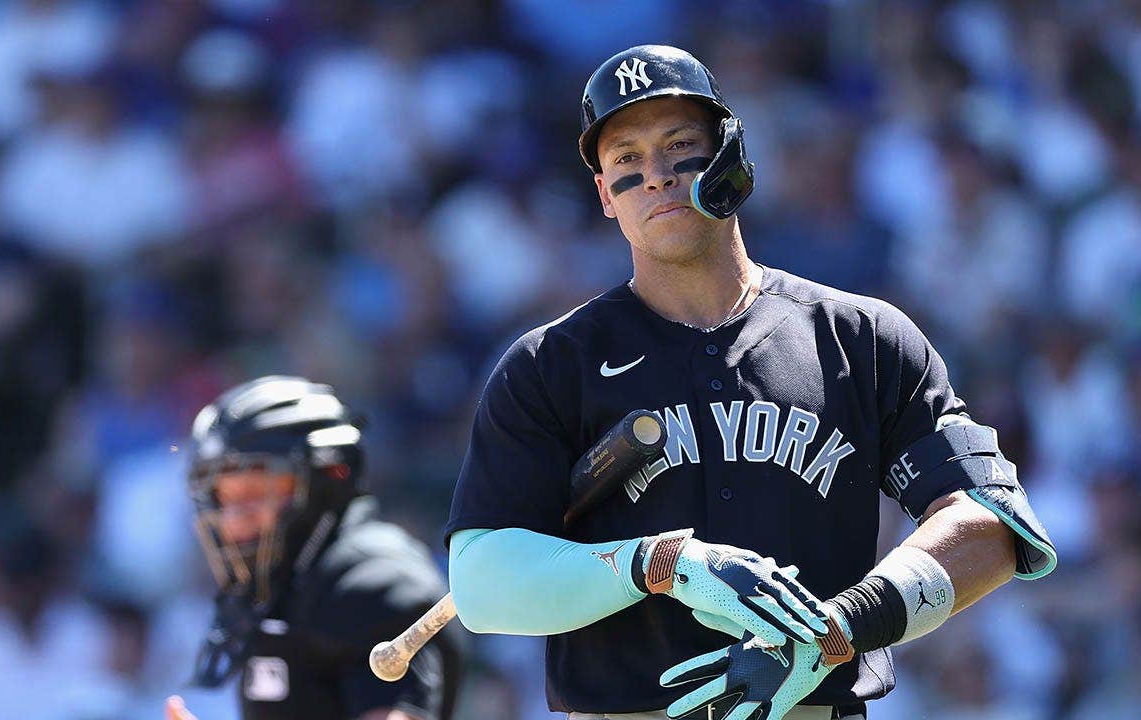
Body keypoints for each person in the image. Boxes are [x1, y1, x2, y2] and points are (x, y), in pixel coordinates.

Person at [443, 45, 1057, 720]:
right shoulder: (549, 364)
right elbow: (480, 585)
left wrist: (838, 630)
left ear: (730, 155)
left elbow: (993, 526)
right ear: (604, 196)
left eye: (680, 145)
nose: (656, 176)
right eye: (626, 159)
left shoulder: (863, 340)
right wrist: (663, 563)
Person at [165, 376, 463, 720]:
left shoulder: (375, 583)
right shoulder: (287, 579)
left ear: (327, 477)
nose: (234, 520)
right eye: (224, 497)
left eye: (255, 493)